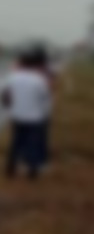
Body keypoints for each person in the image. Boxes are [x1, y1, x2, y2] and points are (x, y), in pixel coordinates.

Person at [2, 47, 53, 180]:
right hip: (35, 117)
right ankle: (32, 171)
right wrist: (45, 113)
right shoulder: (39, 79)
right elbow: (44, 97)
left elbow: (5, 95)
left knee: (16, 141)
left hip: (16, 115)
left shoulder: (12, 77)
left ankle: (10, 167)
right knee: (32, 143)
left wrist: (10, 108)